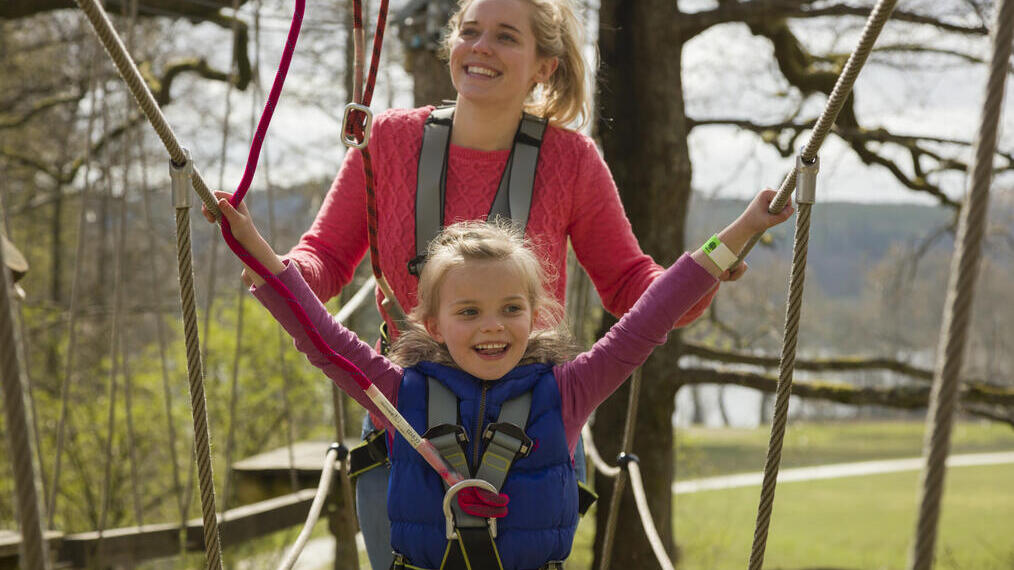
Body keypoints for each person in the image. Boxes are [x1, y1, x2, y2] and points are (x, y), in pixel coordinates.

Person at [207, 0, 739, 566]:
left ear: (544, 67)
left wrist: (699, 280)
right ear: (452, 45)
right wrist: (275, 269)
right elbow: (326, 259)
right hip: (405, 411)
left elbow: (631, 284)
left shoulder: (571, 160)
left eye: (506, 37)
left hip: (532, 420)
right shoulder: (386, 141)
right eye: (470, 31)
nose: (482, 47)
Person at [212, 185, 793, 569]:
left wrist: (739, 232)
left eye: (510, 309)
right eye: (468, 312)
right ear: (432, 324)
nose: (493, 327)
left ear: (534, 314)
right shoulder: (397, 394)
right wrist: (256, 250)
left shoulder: (566, 391)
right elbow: (321, 339)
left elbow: (650, 319)